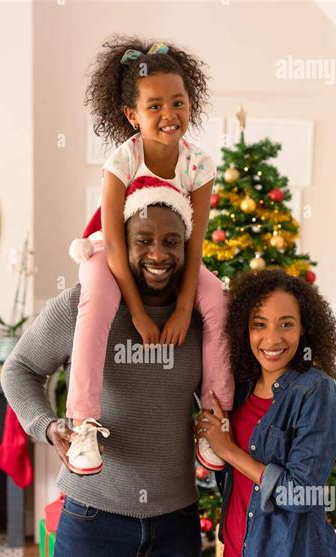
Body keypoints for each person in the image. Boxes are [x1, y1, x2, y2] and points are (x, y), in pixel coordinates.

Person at [1, 177, 215, 557]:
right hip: (93, 522)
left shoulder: (204, 318)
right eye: (144, 239)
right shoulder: (85, 303)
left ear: (188, 246)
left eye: (172, 241)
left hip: (175, 526)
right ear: (119, 242)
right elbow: (20, 368)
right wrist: (48, 427)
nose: (158, 254)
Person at [66, 34, 234, 474]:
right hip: (117, 252)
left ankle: (214, 421)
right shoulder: (122, 160)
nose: (168, 115)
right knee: (97, 296)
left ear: (190, 104)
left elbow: (194, 242)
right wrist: (139, 312)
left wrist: (183, 308)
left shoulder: (199, 166)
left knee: (217, 300)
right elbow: (116, 244)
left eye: (177, 102)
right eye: (154, 106)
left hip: (174, 257)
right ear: (132, 115)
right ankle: (83, 420)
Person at [195, 269, 336, 557]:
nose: (272, 337)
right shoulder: (239, 388)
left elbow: (303, 491)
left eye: (286, 323)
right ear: (245, 327)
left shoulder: (316, 391)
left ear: (306, 327)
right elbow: (229, 478)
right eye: (259, 323)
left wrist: (229, 449)